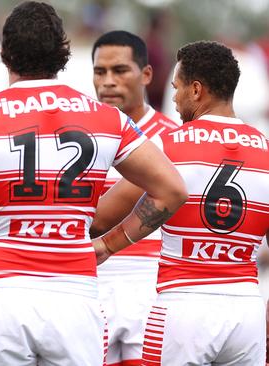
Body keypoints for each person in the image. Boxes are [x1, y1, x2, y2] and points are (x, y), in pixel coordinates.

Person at [0, 2, 187, 365]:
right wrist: (108, 246)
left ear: (5, 56)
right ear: (64, 55)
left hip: (2, 293)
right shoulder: (107, 119)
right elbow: (172, 190)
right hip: (76, 292)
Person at [95, 41, 269, 365]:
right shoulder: (266, 149)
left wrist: (104, 244)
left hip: (182, 307)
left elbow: (103, 215)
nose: (173, 99)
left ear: (196, 90)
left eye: (177, 88)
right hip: (247, 309)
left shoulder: (169, 145)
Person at [90, 30, 179, 366]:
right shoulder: (80, 138)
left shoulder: (174, 137)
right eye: (100, 72)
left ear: (146, 75)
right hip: (91, 282)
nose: (108, 82)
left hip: (150, 284)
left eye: (120, 70)